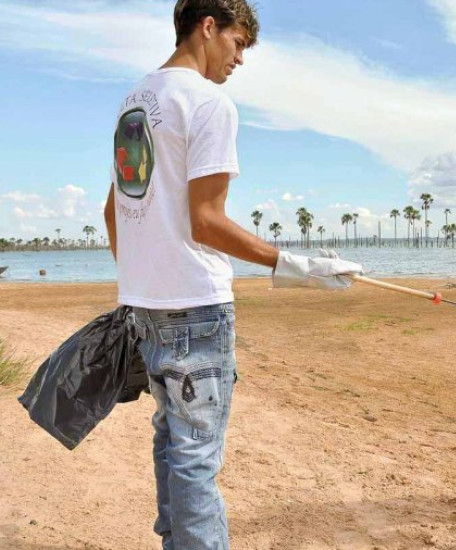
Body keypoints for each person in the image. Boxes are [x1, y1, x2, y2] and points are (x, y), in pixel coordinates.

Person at [103, 1, 362, 547]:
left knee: (172, 440)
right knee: (196, 456)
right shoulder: (208, 102)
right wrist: (295, 266)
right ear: (208, 27)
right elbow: (206, 221)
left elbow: (114, 212)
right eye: (239, 44)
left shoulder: (136, 102)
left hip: (147, 310)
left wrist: (141, 282)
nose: (240, 59)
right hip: (196, 308)